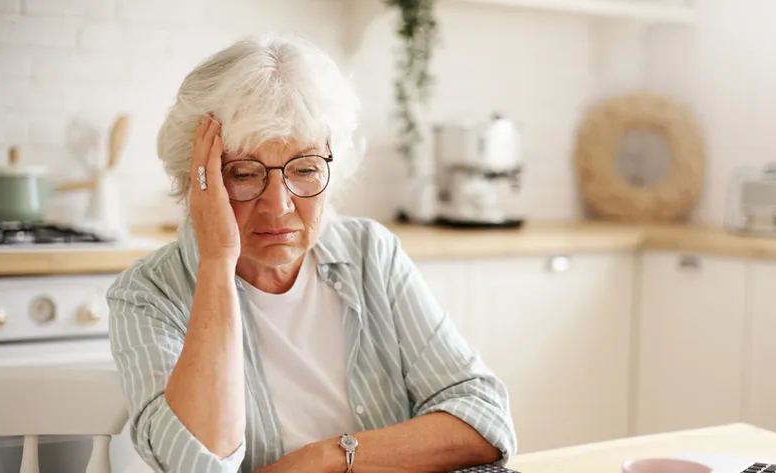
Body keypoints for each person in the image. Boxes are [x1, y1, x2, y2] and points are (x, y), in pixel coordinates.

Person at [107, 34, 517, 473]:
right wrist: (217, 263)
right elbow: (196, 464)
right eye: (244, 174)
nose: (279, 204)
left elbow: (484, 419)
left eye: (304, 169)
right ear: (197, 180)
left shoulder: (369, 253)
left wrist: (329, 457)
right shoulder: (147, 294)